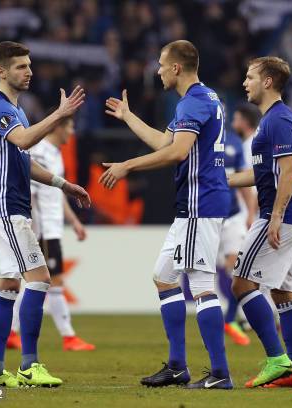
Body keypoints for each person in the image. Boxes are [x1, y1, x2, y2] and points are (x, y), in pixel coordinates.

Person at [100, 40, 232, 389]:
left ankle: (220, 373)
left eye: (161, 64)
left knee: (202, 286)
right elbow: (164, 143)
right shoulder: (203, 99)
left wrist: (128, 165)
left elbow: (177, 152)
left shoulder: (194, 102)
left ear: (176, 68)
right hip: (196, 204)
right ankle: (177, 366)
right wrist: (129, 117)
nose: (157, 70)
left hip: (199, 203)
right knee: (164, 276)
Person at [0, 41, 88, 388]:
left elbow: (24, 160)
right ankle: (29, 365)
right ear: (1, 71)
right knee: (40, 277)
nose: (28, 71)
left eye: (29, 65)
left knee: (8, 285)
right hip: (5, 206)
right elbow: (25, 141)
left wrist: (63, 184)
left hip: (10, 206)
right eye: (20, 67)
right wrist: (59, 113)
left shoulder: (17, 111)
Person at [228, 56, 292, 388]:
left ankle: (277, 360)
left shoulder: (277, 120)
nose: (244, 83)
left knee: (241, 283)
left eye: (249, 77)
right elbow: (262, 173)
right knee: (284, 294)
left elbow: (289, 171)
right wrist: (221, 180)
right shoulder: (272, 120)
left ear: (267, 82)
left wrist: (274, 217)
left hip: (281, 216)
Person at [6, 113, 95, 352]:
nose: (72, 132)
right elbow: (31, 192)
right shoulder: (41, 151)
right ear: (58, 127)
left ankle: (12, 333)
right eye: (70, 126)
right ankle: (68, 337)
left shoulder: (55, 153)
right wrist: (33, 228)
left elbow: (55, 194)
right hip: (43, 228)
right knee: (51, 281)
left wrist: (74, 221)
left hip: (53, 226)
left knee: (42, 283)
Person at [219, 121, 255, 346]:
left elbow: (244, 180)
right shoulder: (193, 138)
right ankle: (231, 319)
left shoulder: (233, 142)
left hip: (232, 216)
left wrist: (250, 212)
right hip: (204, 216)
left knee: (236, 265)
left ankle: (230, 319)